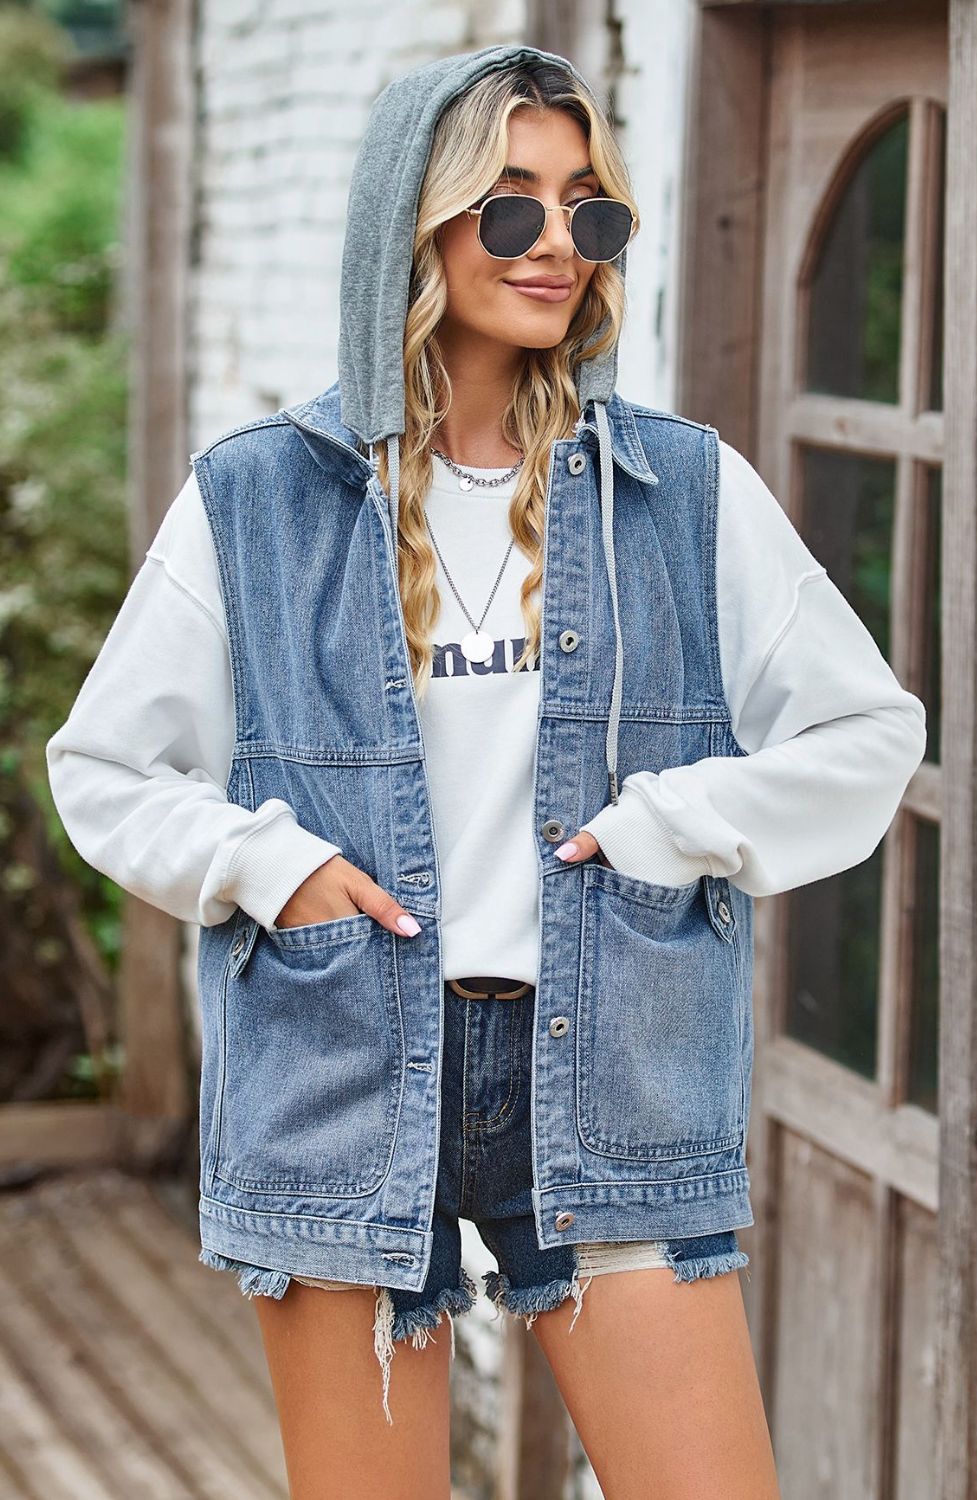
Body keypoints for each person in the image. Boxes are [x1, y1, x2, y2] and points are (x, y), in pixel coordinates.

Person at [46, 42, 926, 1500]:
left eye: (591, 208)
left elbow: (868, 732)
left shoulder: (679, 490)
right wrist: (272, 868)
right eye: (512, 204)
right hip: (342, 1061)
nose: (558, 242)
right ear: (417, 219)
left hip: (610, 1063)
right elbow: (104, 768)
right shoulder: (259, 498)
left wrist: (675, 822)